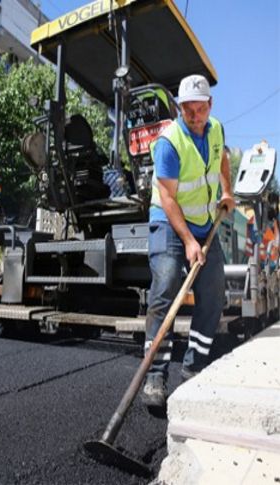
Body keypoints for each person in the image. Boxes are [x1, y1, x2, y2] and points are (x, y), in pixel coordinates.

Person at [141, 74, 235, 411]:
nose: (194, 116)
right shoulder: (169, 142)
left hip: (204, 221)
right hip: (169, 220)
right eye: (187, 110)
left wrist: (227, 190)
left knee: (213, 291)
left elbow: (222, 158)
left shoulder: (217, 129)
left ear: (210, 105)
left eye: (200, 109)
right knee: (166, 285)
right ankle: (155, 373)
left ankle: (194, 365)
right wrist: (187, 241)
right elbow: (167, 197)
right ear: (179, 108)